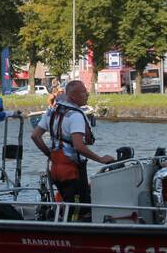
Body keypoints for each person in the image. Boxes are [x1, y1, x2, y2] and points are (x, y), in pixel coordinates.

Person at [30, 80, 115, 221]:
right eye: (83, 92)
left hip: (56, 169)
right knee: (78, 211)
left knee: (70, 204)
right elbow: (78, 146)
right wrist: (100, 159)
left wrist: (50, 155)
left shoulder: (52, 111)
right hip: (72, 171)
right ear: (73, 96)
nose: (87, 94)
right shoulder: (76, 116)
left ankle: (63, 224)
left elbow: (35, 136)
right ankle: (72, 234)